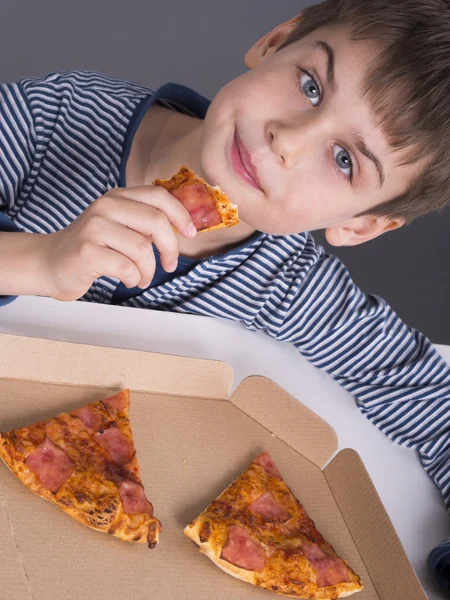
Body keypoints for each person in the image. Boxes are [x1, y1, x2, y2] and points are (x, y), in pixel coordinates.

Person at [1, 0, 450, 589]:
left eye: (344, 160)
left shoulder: (289, 286)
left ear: (362, 224)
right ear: (275, 42)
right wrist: (37, 260)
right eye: (311, 86)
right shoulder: (53, 120)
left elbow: (427, 398)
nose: (287, 139)